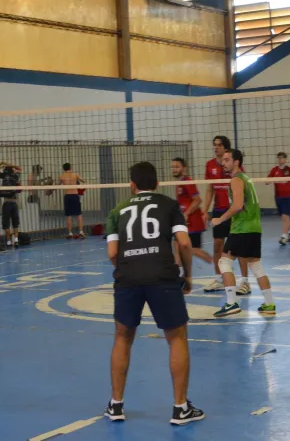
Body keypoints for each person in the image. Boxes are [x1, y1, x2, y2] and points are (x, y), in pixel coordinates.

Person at [104, 162, 205, 426]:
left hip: (128, 278)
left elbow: (113, 253)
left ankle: (116, 405)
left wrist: (129, 269)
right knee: (176, 337)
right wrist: (187, 275)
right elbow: (184, 243)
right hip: (162, 275)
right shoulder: (170, 205)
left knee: (122, 337)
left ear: (132, 185)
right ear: (158, 184)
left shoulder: (117, 210)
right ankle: (180, 408)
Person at [211, 150, 276, 317]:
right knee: (256, 265)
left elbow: (238, 205)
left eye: (227, 160)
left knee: (224, 262)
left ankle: (231, 302)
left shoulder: (237, 179)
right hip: (254, 228)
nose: (223, 163)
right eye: (223, 160)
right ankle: (269, 304)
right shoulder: (247, 179)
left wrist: (220, 219)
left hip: (242, 229)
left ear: (236, 162)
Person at [201, 136, 249, 294]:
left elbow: (242, 189)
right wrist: (205, 210)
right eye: (214, 145)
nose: (216, 148)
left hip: (234, 212)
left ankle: (245, 281)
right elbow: (209, 190)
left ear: (226, 148)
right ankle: (219, 278)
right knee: (217, 246)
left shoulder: (234, 166)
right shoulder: (210, 165)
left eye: (220, 145)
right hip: (218, 210)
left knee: (240, 248)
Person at [171, 158, 213, 266]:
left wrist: (186, 213)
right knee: (176, 243)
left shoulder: (187, 182)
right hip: (186, 221)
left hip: (193, 222)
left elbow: (198, 200)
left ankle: (216, 262)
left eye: (177, 167)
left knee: (191, 249)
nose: (174, 169)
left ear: (184, 168)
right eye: (173, 167)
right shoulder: (179, 182)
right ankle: (177, 267)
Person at [0, 161, 23, 247]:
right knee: (15, 223)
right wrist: (12, 164)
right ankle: (16, 240)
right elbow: (20, 168)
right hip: (14, 203)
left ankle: (8, 241)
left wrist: (2, 163)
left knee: (6, 223)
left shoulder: (4, 176)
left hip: (6, 202)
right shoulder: (16, 176)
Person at [59, 163, 86, 239]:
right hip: (75, 195)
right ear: (70, 167)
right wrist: (77, 182)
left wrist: (50, 190)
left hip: (67, 196)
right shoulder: (75, 175)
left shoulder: (62, 176)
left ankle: (70, 233)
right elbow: (83, 181)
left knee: (69, 215)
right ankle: (81, 232)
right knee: (79, 214)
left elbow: (57, 185)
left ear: (63, 169)